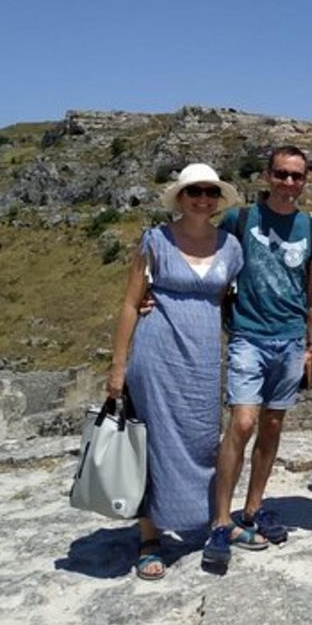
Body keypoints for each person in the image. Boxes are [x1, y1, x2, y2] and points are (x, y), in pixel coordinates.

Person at [107, 163, 244, 581]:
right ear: (180, 198)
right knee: (153, 441)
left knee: (202, 439)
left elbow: (224, 301)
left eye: (210, 192)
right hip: (156, 355)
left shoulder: (231, 247)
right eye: (194, 192)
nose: (203, 199)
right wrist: (118, 367)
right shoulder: (155, 241)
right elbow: (132, 302)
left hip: (202, 361)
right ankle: (150, 537)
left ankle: (207, 520)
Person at [203, 147, 312, 569]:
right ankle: (221, 519)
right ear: (267, 175)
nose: (289, 183)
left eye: (297, 176)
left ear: (305, 180)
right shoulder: (240, 220)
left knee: (273, 424)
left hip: (291, 339)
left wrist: (311, 344)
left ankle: (253, 507)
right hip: (249, 336)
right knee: (242, 422)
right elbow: (211, 267)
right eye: (282, 174)